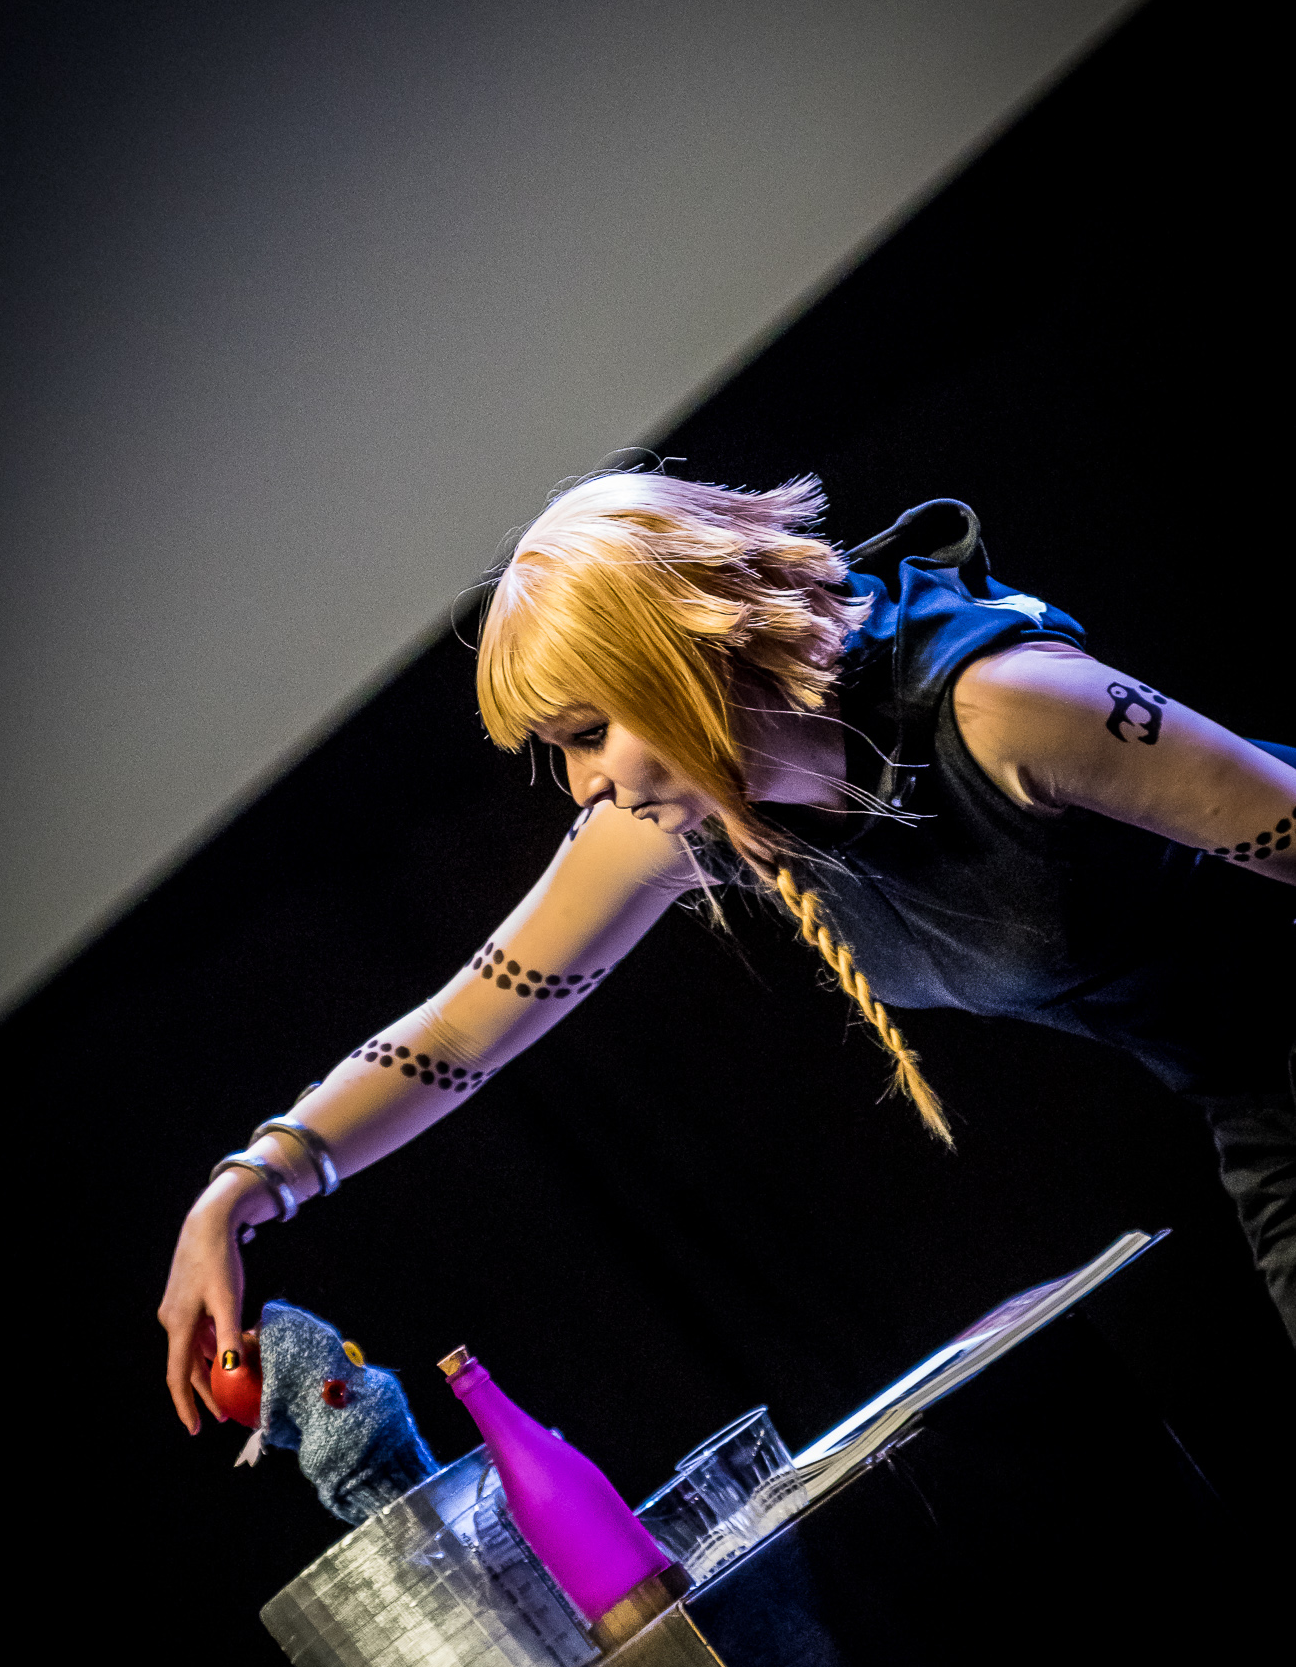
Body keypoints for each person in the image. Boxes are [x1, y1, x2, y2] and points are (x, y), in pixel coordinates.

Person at [160, 473, 1296, 1429]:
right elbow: (464, 1029)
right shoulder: (698, 819)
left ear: (688, 662)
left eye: (589, 733)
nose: (585, 784)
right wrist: (246, 1189)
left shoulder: (1004, 708)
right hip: (1258, 1101)